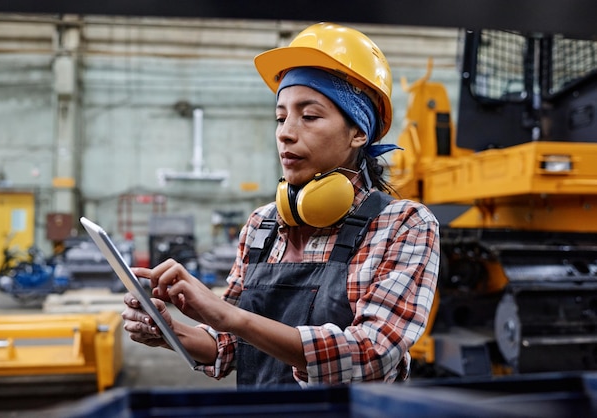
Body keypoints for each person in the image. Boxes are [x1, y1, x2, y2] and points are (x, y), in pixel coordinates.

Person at [122, 22, 440, 387]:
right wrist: (170, 331)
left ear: (358, 132)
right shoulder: (262, 225)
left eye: (309, 116)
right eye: (280, 116)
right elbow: (231, 346)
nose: (286, 132)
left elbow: (370, 354)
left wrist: (230, 316)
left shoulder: (403, 225)